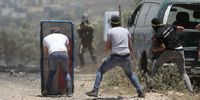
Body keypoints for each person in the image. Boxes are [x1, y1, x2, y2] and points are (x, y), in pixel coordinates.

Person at [85, 15, 145, 98]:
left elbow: (107, 47)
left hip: (116, 57)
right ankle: (141, 92)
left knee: (100, 71)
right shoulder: (126, 31)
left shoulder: (110, 31)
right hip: (126, 56)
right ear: (119, 22)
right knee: (130, 74)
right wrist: (132, 56)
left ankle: (95, 91)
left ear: (111, 23)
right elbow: (130, 46)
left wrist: (106, 49)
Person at [150, 18, 194, 93]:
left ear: (154, 26)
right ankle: (191, 91)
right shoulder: (169, 26)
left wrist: (155, 50)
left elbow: (163, 47)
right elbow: (181, 28)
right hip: (180, 51)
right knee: (183, 72)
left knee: (156, 65)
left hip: (170, 52)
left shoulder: (158, 34)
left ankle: (150, 85)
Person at [42, 27, 72, 97]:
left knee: (52, 71)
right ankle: (69, 92)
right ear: (59, 32)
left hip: (53, 53)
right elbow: (68, 49)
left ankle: (47, 90)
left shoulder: (46, 38)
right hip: (64, 53)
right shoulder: (64, 36)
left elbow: (45, 51)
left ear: (51, 32)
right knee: (66, 72)